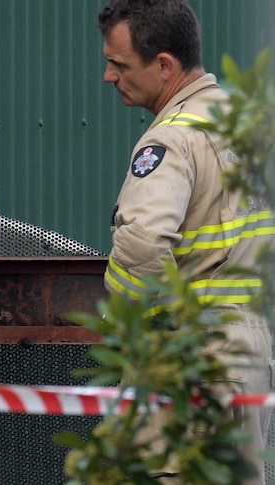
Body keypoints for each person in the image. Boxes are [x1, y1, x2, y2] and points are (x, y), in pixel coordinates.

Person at [98, 0, 274, 482]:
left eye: (118, 64)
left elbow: (143, 245)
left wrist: (122, 321)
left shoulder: (172, 139)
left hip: (188, 360)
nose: (109, 77)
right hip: (249, 355)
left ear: (164, 65)